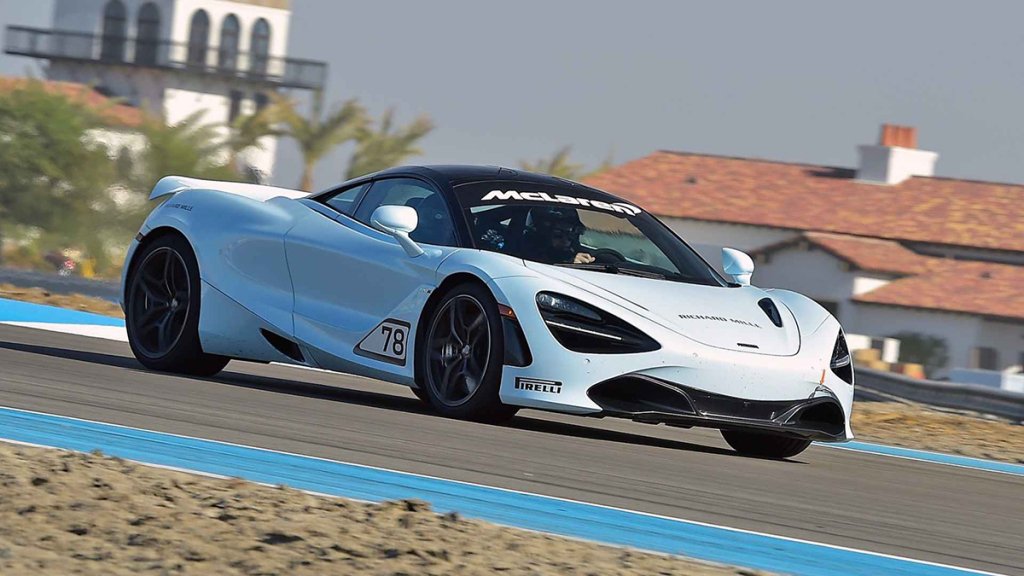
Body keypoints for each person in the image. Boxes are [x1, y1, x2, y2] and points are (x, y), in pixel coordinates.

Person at [521, 206, 595, 265]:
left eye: (570, 235)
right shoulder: (525, 260)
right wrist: (569, 263)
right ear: (542, 235)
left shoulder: (574, 252)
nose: (565, 241)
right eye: (558, 234)